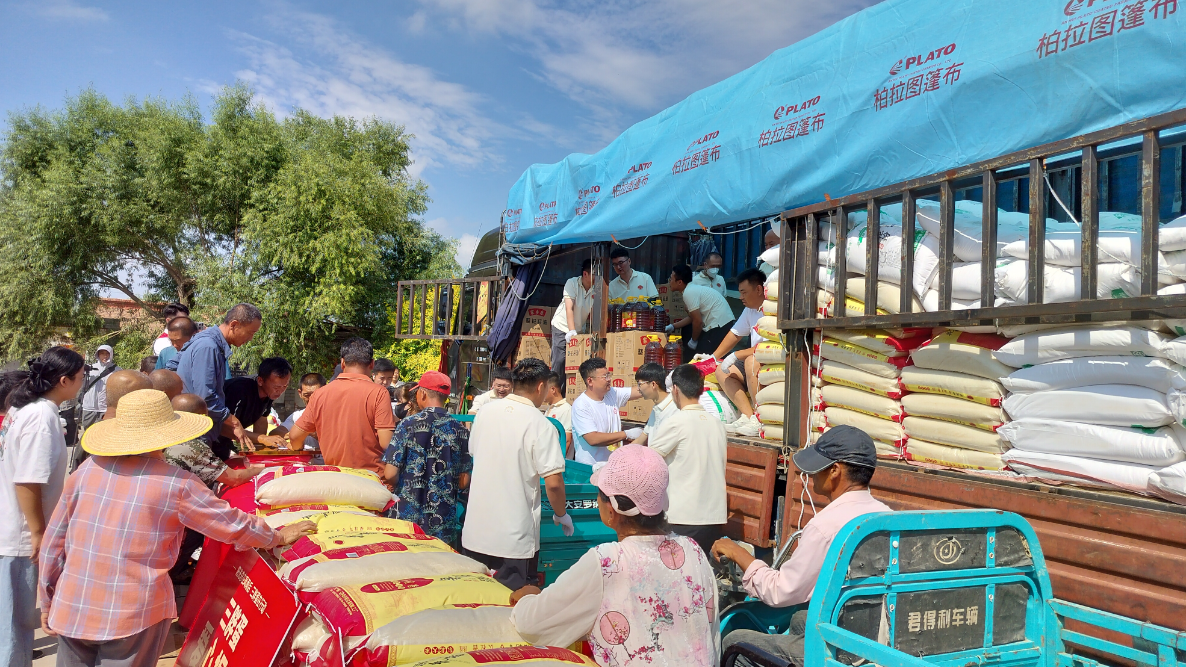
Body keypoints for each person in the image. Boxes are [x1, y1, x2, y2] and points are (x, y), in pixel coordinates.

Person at [40, 389, 316, 667]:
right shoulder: (176, 483)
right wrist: (276, 536)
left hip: (71, 605)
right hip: (132, 612)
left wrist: (48, 598)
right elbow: (229, 523)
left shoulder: (87, 469)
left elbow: (54, 542)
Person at [509, 444, 720, 666]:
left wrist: (528, 598)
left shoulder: (608, 562)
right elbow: (711, 633)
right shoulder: (693, 550)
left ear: (611, 511)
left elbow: (532, 625)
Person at [712, 425, 892, 665]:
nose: (811, 475)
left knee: (735, 642)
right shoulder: (885, 515)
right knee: (799, 619)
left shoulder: (825, 526)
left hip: (843, 650)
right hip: (869, 635)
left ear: (835, 471)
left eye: (819, 468)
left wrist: (738, 553)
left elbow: (779, 591)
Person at [0, 347, 85, 667]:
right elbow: (27, 481)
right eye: (81, 377)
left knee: (12, 619)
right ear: (64, 380)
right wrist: (38, 532)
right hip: (20, 533)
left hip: (13, 523)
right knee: (14, 624)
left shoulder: (25, 407)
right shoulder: (41, 417)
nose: (83, 382)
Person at [462, 358, 572, 590]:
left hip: (475, 533)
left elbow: (474, 452)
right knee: (510, 603)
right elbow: (553, 483)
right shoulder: (541, 424)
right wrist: (561, 514)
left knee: (474, 599)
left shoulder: (484, 413)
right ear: (541, 386)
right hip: (513, 540)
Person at [382, 371, 472, 546]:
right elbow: (463, 481)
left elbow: (390, 473)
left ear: (422, 393)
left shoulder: (407, 425)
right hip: (443, 521)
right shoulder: (460, 430)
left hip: (408, 519)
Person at [288, 337, 396, 478]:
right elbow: (387, 443)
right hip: (371, 479)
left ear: (343, 363)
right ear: (372, 364)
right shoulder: (379, 393)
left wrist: (297, 447)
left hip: (336, 478)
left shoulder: (320, 394)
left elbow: (295, 436)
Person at [648, 364, 727, 556]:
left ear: (675, 389)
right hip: (714, 518)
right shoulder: (717, 424)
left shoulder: (676, 422)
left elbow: (649, 461)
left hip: (683, 517)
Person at [170, 303, 263, 460]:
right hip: (194, 434)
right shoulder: (208, 347)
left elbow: (172, 365)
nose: (251, 338)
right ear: (234, 325)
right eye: (250, 332)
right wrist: (233, 421)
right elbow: (205, 397)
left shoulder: (207, 342)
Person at [710, 268, 769, 437]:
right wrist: (713, 358)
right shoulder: (750, 309)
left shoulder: (773, 309)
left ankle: (760, 417)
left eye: (744, 292)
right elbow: (735, 334)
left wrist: (737, 354)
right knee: (722, 370)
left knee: (751, 361)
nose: (741, 297)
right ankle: (749, 416)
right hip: (754, 357)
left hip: (770, 359)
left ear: (759, 289)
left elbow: (770, 345)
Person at [165, 394, 264, 490]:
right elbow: (234, 479)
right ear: (203, 417)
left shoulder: (163, 438)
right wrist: (261, 470)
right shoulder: (192, 446)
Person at [570, 358, 642, 468]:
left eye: (609, 375)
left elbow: (638, 391)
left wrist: (660, 383)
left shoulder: (611, 393)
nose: (609, 379)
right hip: (590, 468)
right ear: (590, 381)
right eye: (605, 377)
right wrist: (626, 434)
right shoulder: (581, 405)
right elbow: (593, 439)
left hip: (612, 466)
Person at [220, 357, 292, 452]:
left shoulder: (269, 393)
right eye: (276, 387)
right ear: (260, 381)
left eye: (285, 386)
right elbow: (224, 427)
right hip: (209, 438)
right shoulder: (239, 390)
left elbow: (261, 421)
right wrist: (263, 438)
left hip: (226, 441)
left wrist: (260, 449)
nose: (280, 391)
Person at [667, 265, 735, 363]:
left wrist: (693, 340)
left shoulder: (688, 292)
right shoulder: (691, 289)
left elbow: (697, 321)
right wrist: (673, 326)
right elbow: (692, 317)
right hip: (722, 322)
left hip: (719, 324)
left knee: (705, 356)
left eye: (671, 279)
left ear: (680, 282)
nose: (669, 282)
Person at [550, 259, 597, 375]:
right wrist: (571, 331)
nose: (598, 278)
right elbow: (569, 308)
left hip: (579, 329)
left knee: (576, 363)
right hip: (562, 326)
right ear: (585, 274)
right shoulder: (572, 283)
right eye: (595, 274)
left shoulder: (597, 289)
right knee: (559, 360)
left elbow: (594, 313)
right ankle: (555, 385)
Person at [628, 362, 679, 446]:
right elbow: (641, 439)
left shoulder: (674, 408)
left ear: (653, 384)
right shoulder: (656, 408)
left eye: (640, 384)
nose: (638, 389)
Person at [78, 345, 118, 437]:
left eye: (107, 354)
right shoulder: (89, 369)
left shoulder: (117, 370)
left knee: (104, 434)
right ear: (98, 355)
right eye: (102, 353)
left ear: (111, 354)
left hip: (105, 408)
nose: (105, 356)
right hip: (89, 407)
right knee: (88, 434)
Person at [281, 373, 326, 452]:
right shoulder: (296, 416)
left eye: (315, 395)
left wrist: (307, 432)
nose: (311, 399)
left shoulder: (335, 415)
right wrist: (295, 435)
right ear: (300, 393)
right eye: (307, 395)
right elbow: (275, 433)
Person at [541, 372, 573, 459]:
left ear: (553, 389)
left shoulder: (566, 409)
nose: (541, 392)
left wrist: (558, 461)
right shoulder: (550, 408)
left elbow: (567, 440)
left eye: (544, 389)